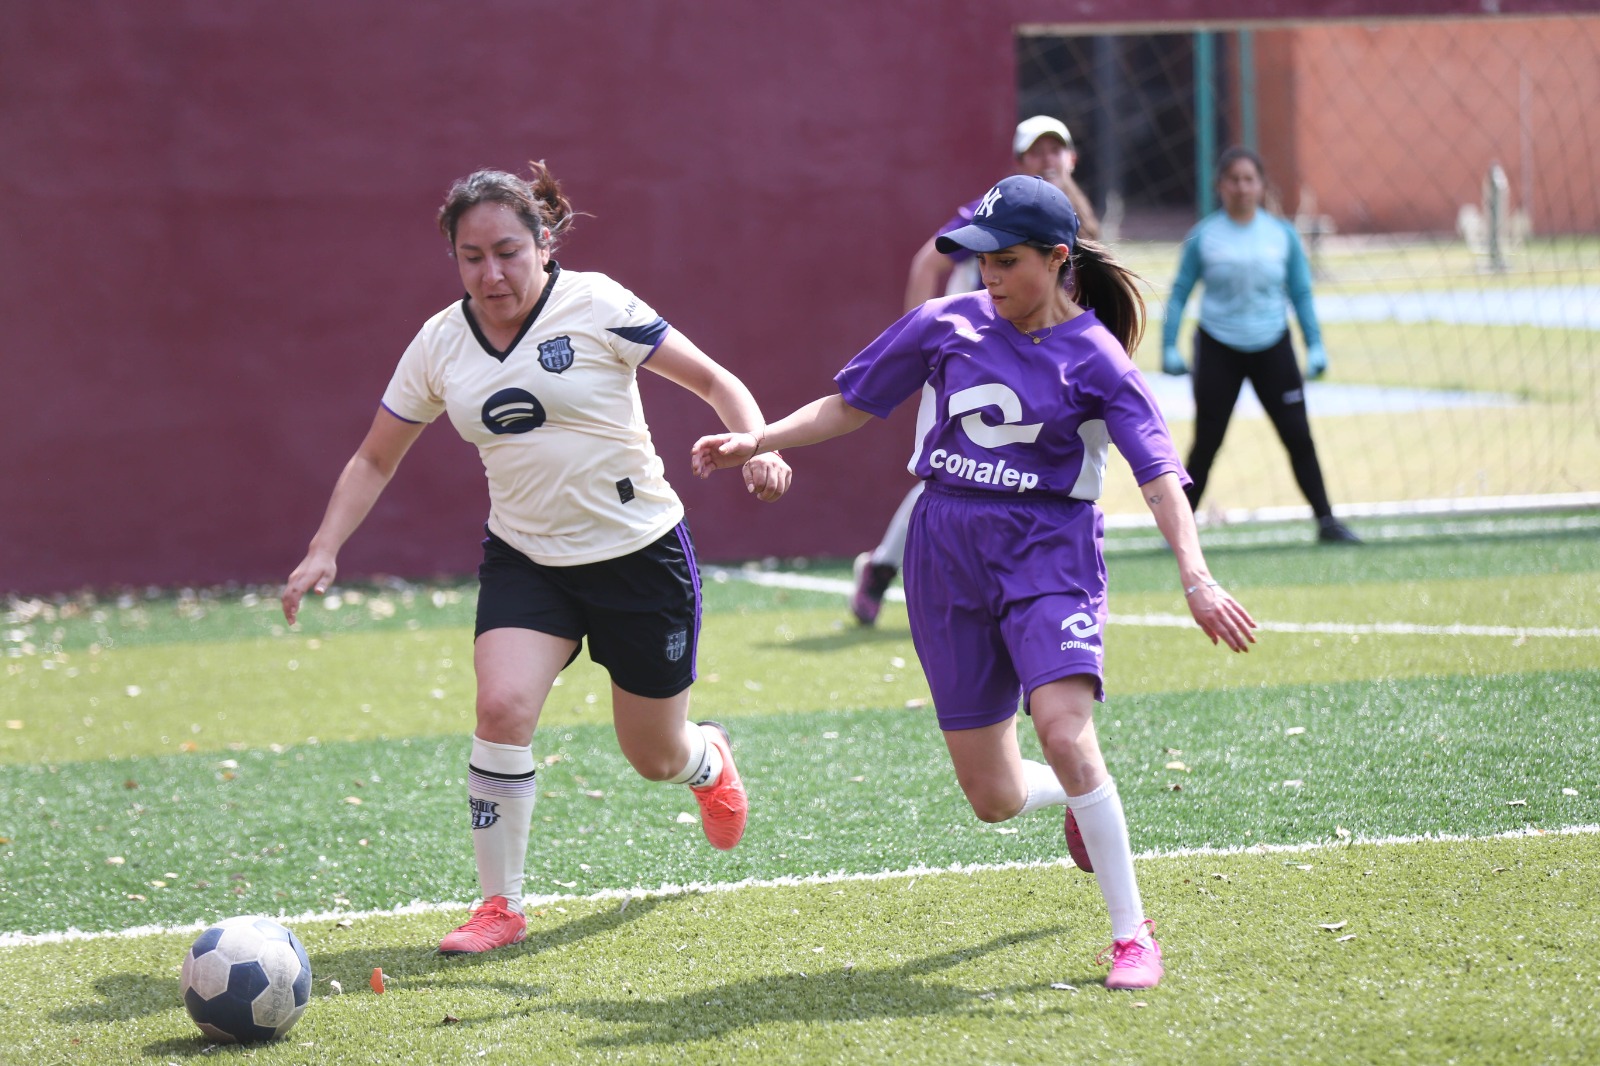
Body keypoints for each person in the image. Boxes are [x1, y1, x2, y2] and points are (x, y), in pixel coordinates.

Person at [693, 175, 1257, 990]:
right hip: (945, 552)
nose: (987, 277)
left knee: (1065, 730)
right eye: (981, 261)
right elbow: (848, 405)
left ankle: (1133, 935)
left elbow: (1160, 475)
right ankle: (1072, 799)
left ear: (1058, 261)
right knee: (991, 798)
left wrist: (1195, 576)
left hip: (1048, 552)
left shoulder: (1097, 358)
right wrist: (758, 439)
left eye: (1007, 262)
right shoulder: (944, 324)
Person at [281, 161, 792, 956]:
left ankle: (707, 757)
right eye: (472, 256)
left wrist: (754, 444)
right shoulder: (440, 343)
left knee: (652, 754)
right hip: (528, 561)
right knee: (501, 711)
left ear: (544, 244)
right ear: (454, 258)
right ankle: (501, 906)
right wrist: (324, 546)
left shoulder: (598, 304)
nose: (492, 273)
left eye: (509, 251)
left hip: (638, 557)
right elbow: (376, 457)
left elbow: (715, 381)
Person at [853, 115, 1104, 625]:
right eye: (1036, 152)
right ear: (1018, 161)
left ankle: (1032, 595)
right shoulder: (998, 214)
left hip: (1045, 362)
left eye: (1056, 150)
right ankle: (885, 569)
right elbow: (929, 262)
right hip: (981, 357)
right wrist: (920, 349)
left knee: (1018, 472)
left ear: (1073, 158)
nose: (1047, 160)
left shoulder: (1080, 220)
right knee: (957, 469)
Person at [1161, 146, 1361, 543]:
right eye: (1233, 179)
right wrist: (1168, 346)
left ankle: (1327, 522)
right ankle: (1177, 533)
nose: (1241, 187)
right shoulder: (1204, 236)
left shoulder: (1281, 235)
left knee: (1298, 436)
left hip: (1273, 346)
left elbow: (1301, 294)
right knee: (1207, 442)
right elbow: (1180, 292)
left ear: (1262, 186)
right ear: (1220, 186)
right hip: (1218, 346)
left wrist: (1315, 344)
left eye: (1249, 179)